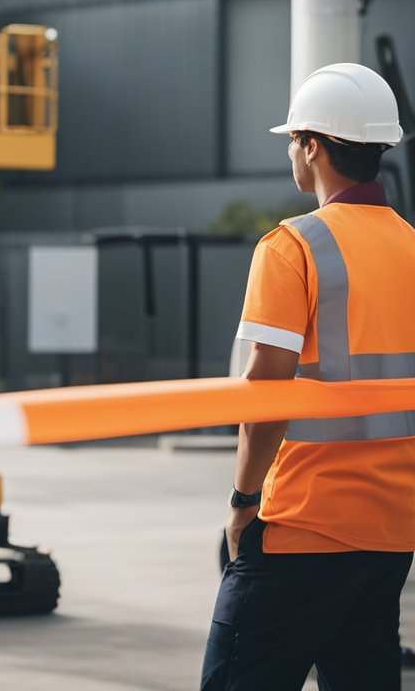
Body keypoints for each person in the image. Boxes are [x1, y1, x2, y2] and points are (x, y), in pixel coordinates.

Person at [202, 63, 413, 690]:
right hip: (392, 532)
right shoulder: (410, 244)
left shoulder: (291, 246)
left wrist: (242, 504)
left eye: (294, 140)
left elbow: (267, 392)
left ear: (312, 146)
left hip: (302, 527)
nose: (293, 152)